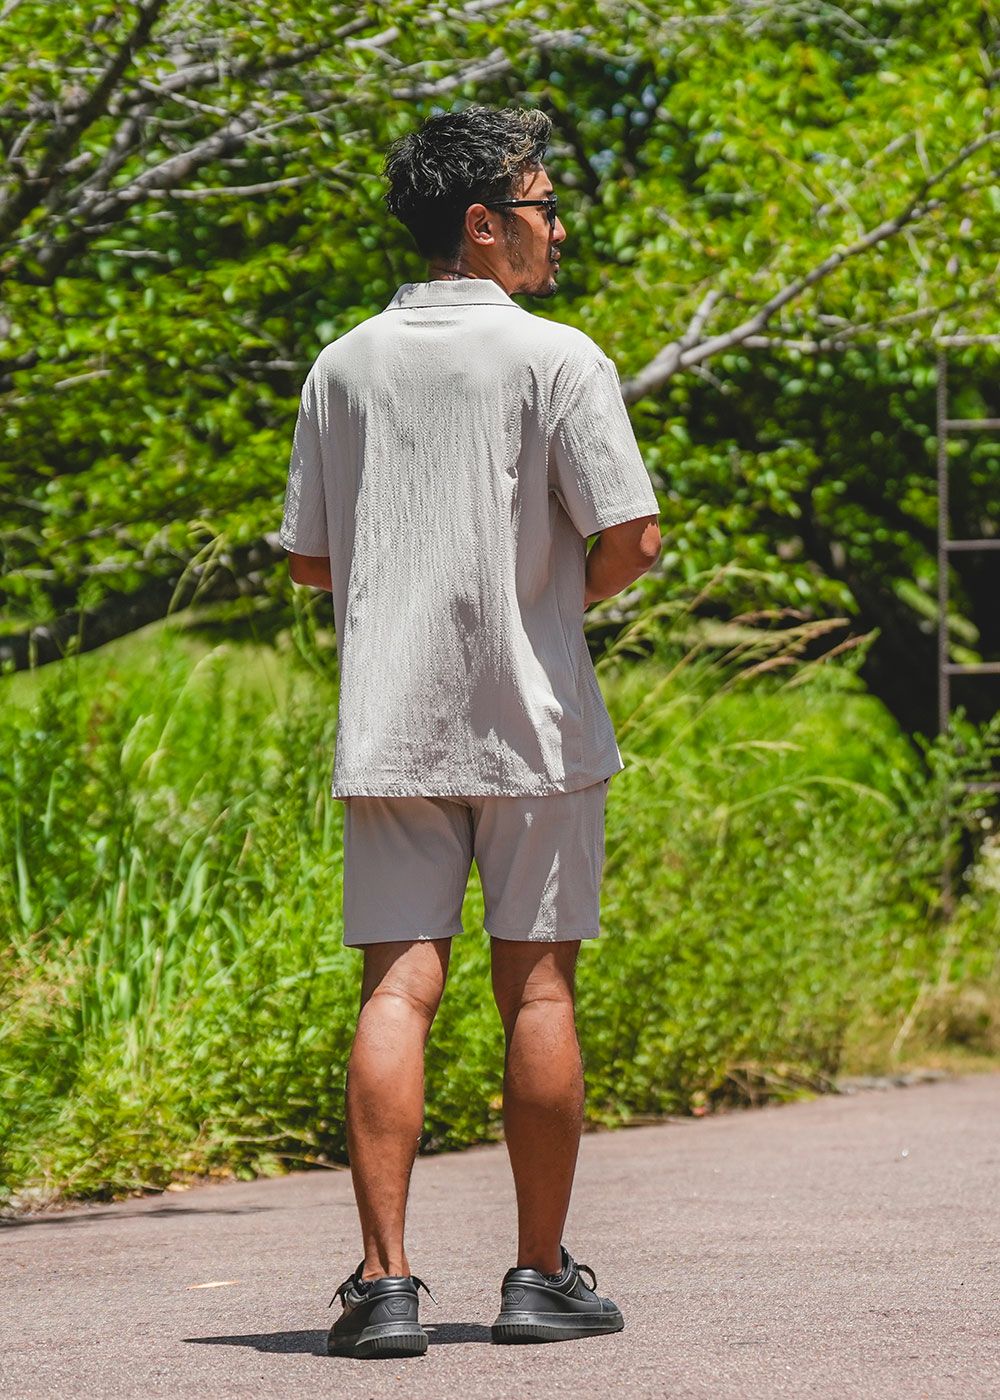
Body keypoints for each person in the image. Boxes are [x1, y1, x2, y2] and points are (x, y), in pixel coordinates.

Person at [279, 104, 661, 1360]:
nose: (559, 229)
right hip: (534, 721)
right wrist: (543, 607)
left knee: (399, 983)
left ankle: (385, 1283)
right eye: (545, 205)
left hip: (391, 719)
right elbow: (632, 537)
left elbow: (310, 563)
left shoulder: (342, 364)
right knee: (536, 982)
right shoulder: (559, 357)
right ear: (485, 224)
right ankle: (538, 1277)